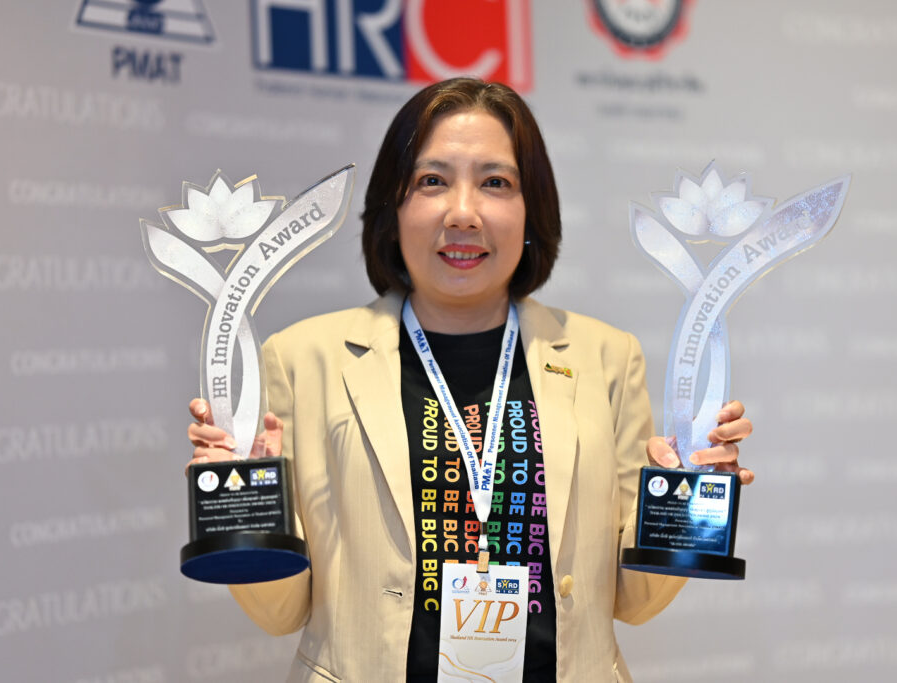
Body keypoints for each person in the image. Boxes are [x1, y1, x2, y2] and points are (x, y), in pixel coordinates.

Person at [187, 78, 753, 682]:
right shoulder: (303, 359)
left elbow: (634, 601)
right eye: (432, 181)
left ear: (532, 211)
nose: (463, 212)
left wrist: (693, 498)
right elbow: (280, 613)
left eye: (495, 183)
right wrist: (240, 504)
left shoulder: (606, 358)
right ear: (393, 210)